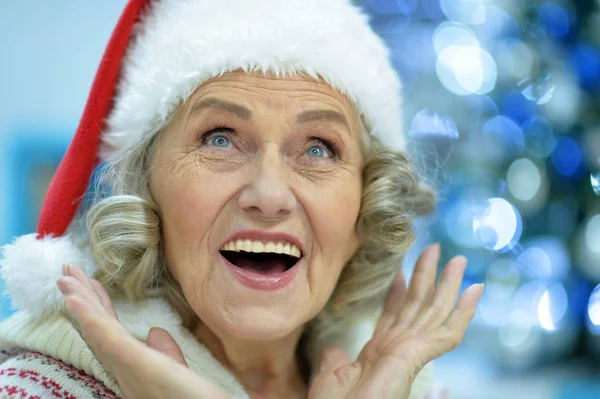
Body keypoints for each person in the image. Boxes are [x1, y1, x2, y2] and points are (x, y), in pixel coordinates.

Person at [0, 0, 482, 398]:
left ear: (365, 210)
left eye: (319, 148)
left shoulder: (401, 386)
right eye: (220, 139)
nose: (269, 195)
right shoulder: (33, 389)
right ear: (146, 193)